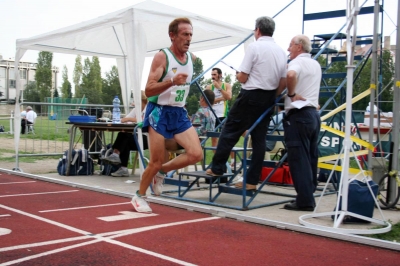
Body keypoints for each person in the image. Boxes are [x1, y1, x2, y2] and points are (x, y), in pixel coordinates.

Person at [206, 16, 287, 190]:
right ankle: (252, 181)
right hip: (269, 97)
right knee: (259, 139)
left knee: (230, 130)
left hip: (250, 95)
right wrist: (274, 95)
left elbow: (242, 77)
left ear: (257, 30)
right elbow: (283, 80)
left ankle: (217, 167)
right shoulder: (280, 51)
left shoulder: (254, 47)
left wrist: (238, 76)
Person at [131, 17, 203, 213]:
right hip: (159, 112)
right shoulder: (162, 57)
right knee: (155, 161)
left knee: (196, 154)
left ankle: (163, 172)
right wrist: (172, 82)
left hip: (179, 112)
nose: (188, 39)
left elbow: (190, 60)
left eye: (190, 35)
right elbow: (149, 89)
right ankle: (139, 195)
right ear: (172, 36)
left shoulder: (190, 57)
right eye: (184, 35)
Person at [282, 34, 321, 211]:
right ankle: (308, 194)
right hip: (313, 114)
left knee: (298, 159)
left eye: (291, 45)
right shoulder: (315, 64)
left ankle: (304, 200)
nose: (288, 49)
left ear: (299, 47)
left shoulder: (296, 63)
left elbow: (290, 75)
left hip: (299, 114)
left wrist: (291, 94)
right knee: (311, 157)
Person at [103, 90, 149, 177]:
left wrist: (129, 120)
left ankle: (116, 154)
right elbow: (125, 119)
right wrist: (127, 119)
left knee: (126, 135)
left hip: (147, 138)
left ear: (143, 101)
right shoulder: (137, 109)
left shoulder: (149, 108)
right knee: (125, 137)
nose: (135, 103)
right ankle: (123, 167)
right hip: (137, 137)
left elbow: (144, 121)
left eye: (137, 101)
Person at [205, 68, 232, 156]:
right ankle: (216, 160)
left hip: (223, 115)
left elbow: (228, 97)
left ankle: (233, 161)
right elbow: (207, 101)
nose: (212, 77)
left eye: (214, 75)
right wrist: (220, 98)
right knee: (214, 139)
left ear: (220, 75)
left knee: (228, 138)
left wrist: (219, 88)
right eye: (212, 75)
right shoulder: (209, 87)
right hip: (213, 115)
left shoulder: (226, 85)